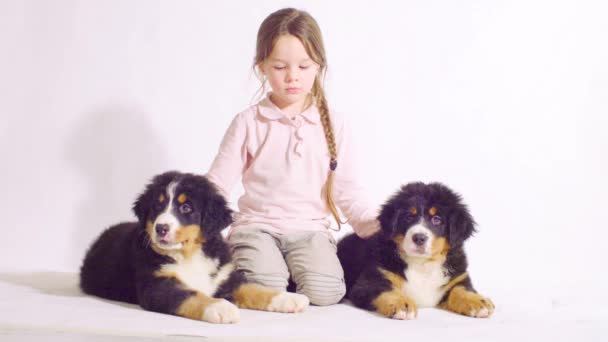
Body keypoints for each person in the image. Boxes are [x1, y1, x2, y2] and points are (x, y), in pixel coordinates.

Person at [206, 7, 379, 306]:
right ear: (261, 66)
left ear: (318, 66)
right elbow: (217, 184)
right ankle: (258, 265)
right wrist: (199, 226)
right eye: (280, 67)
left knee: (327, 294)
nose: (292, 77)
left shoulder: (335, 124)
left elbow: (347, 190)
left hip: (309, 230)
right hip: (256, 227)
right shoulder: (249, 122)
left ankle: (284, 268)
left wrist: (375, 227)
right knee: (266, 286)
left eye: (303, 66)